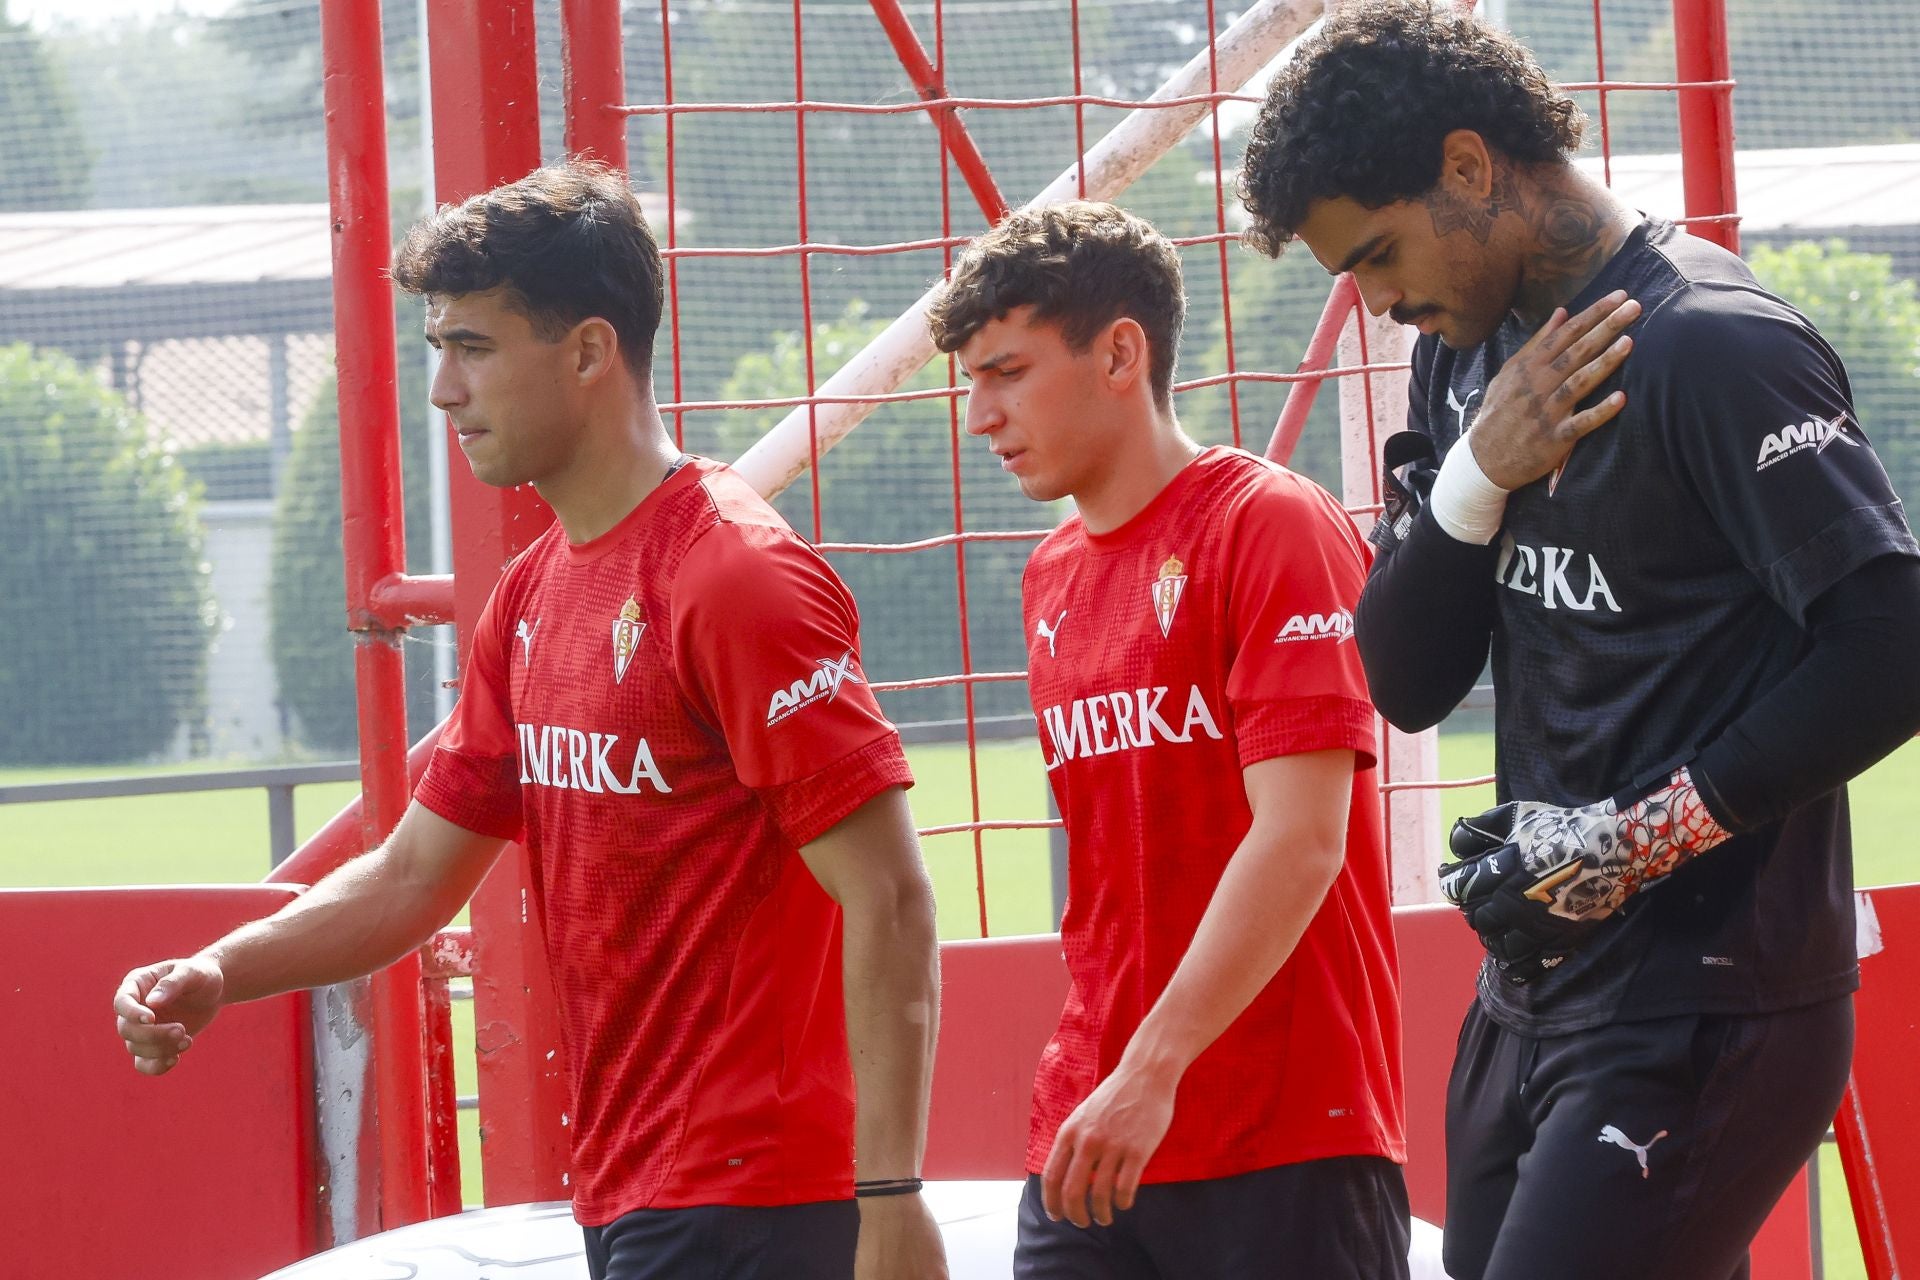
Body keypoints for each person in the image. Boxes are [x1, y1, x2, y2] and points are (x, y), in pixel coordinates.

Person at [114, 160, 949, 1280]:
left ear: (592, 351)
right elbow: (413, 876)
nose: (443, 391)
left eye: (473, 348)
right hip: (633, 1190)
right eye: (436, 351)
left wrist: (890, 1198)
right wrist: (224, 966)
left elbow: (889, 892)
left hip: (762, 1197)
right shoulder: (533, 593)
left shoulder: (733, 578)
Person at [1237, 4, 1920, 1278]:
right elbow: (1404, 679)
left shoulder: (1714, 346)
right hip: (1534, 986)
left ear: (1468, 165)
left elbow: (1890, 645)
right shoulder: (1464, 358)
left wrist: (1639, 835)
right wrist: (1471, 481)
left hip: (1714, 993)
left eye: (1378, 255)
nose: (1380, 304)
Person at [927, 201, 1408, 1280]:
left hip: (1282, 1136)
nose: (980, 415)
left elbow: (1300, 840)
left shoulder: (1270, 523)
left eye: (1006, 371)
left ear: (1121, 352)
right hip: (1092, 1130)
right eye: (970, 380)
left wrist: (1155, 1068)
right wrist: (1120, 1080)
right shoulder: (1049, 574)